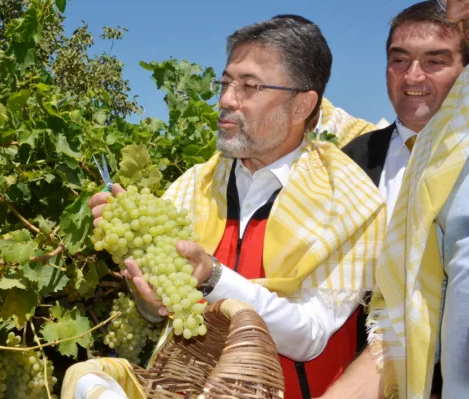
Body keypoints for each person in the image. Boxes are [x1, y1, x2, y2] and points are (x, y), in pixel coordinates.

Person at [78, 15, 386, 399]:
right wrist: (150, 301)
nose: (225, 99)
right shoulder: (192, 187)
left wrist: (212, 278)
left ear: (301, 105)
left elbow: (309, 335)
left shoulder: (346, 199)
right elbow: (157, 310)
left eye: (249, 86)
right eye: (225, 83)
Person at [327, 0, 469, 398]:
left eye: (435, 61)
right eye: (400, 60)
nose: (413, 76)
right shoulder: (349, 161)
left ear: (465, 68)